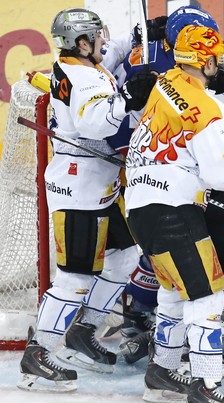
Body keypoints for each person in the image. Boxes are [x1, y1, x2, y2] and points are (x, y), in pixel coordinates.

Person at [123, 11, 224, 401]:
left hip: (140, 208)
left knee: (173, 294)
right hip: (174, 209)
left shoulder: (166, 82)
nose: (219, 63)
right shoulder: (208, 111)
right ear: (206, 61)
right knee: (206, 298)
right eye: (216, 58)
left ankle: (162, 372)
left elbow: (192, 108)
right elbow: (222, 175)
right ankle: (205, 387)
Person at [17, 8, 157, 392]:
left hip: (100, 184)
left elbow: (112, 55)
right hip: (79, 187)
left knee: (126, 255)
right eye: (97, 35)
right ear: (82, 43)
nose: (103, 40)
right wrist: (128, 98)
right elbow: (94, 123)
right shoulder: (82, 77)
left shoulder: (76, 63)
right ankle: (39, 354)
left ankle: (83, 331)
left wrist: (145, 35)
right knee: (75, 277)